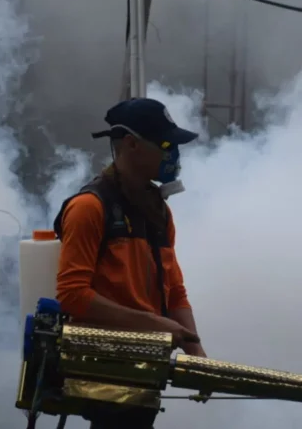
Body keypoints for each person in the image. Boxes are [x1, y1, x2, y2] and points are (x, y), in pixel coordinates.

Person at [53, 97, 206, 429]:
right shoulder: (89, 208)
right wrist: (157, 325)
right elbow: (72, 295)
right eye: (166, 145)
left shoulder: (159, 211)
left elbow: (175, 292)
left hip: (147, 366)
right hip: (105, 369)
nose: (173, 155)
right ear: (131, 145)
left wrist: (199, 359)